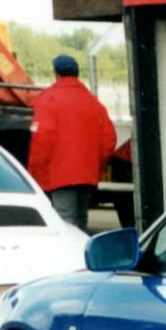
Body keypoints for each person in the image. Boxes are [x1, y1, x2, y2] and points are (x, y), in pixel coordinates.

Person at [28, 53, 116, 230]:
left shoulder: (47, 99)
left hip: (61, 176)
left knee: (65, 224)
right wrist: (94, 162)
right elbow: (109, 138)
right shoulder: (93, 102)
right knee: (81, 222)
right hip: (87, 175)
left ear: (55, 73)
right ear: (77, 73)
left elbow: (42, 139)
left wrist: (35, 171)